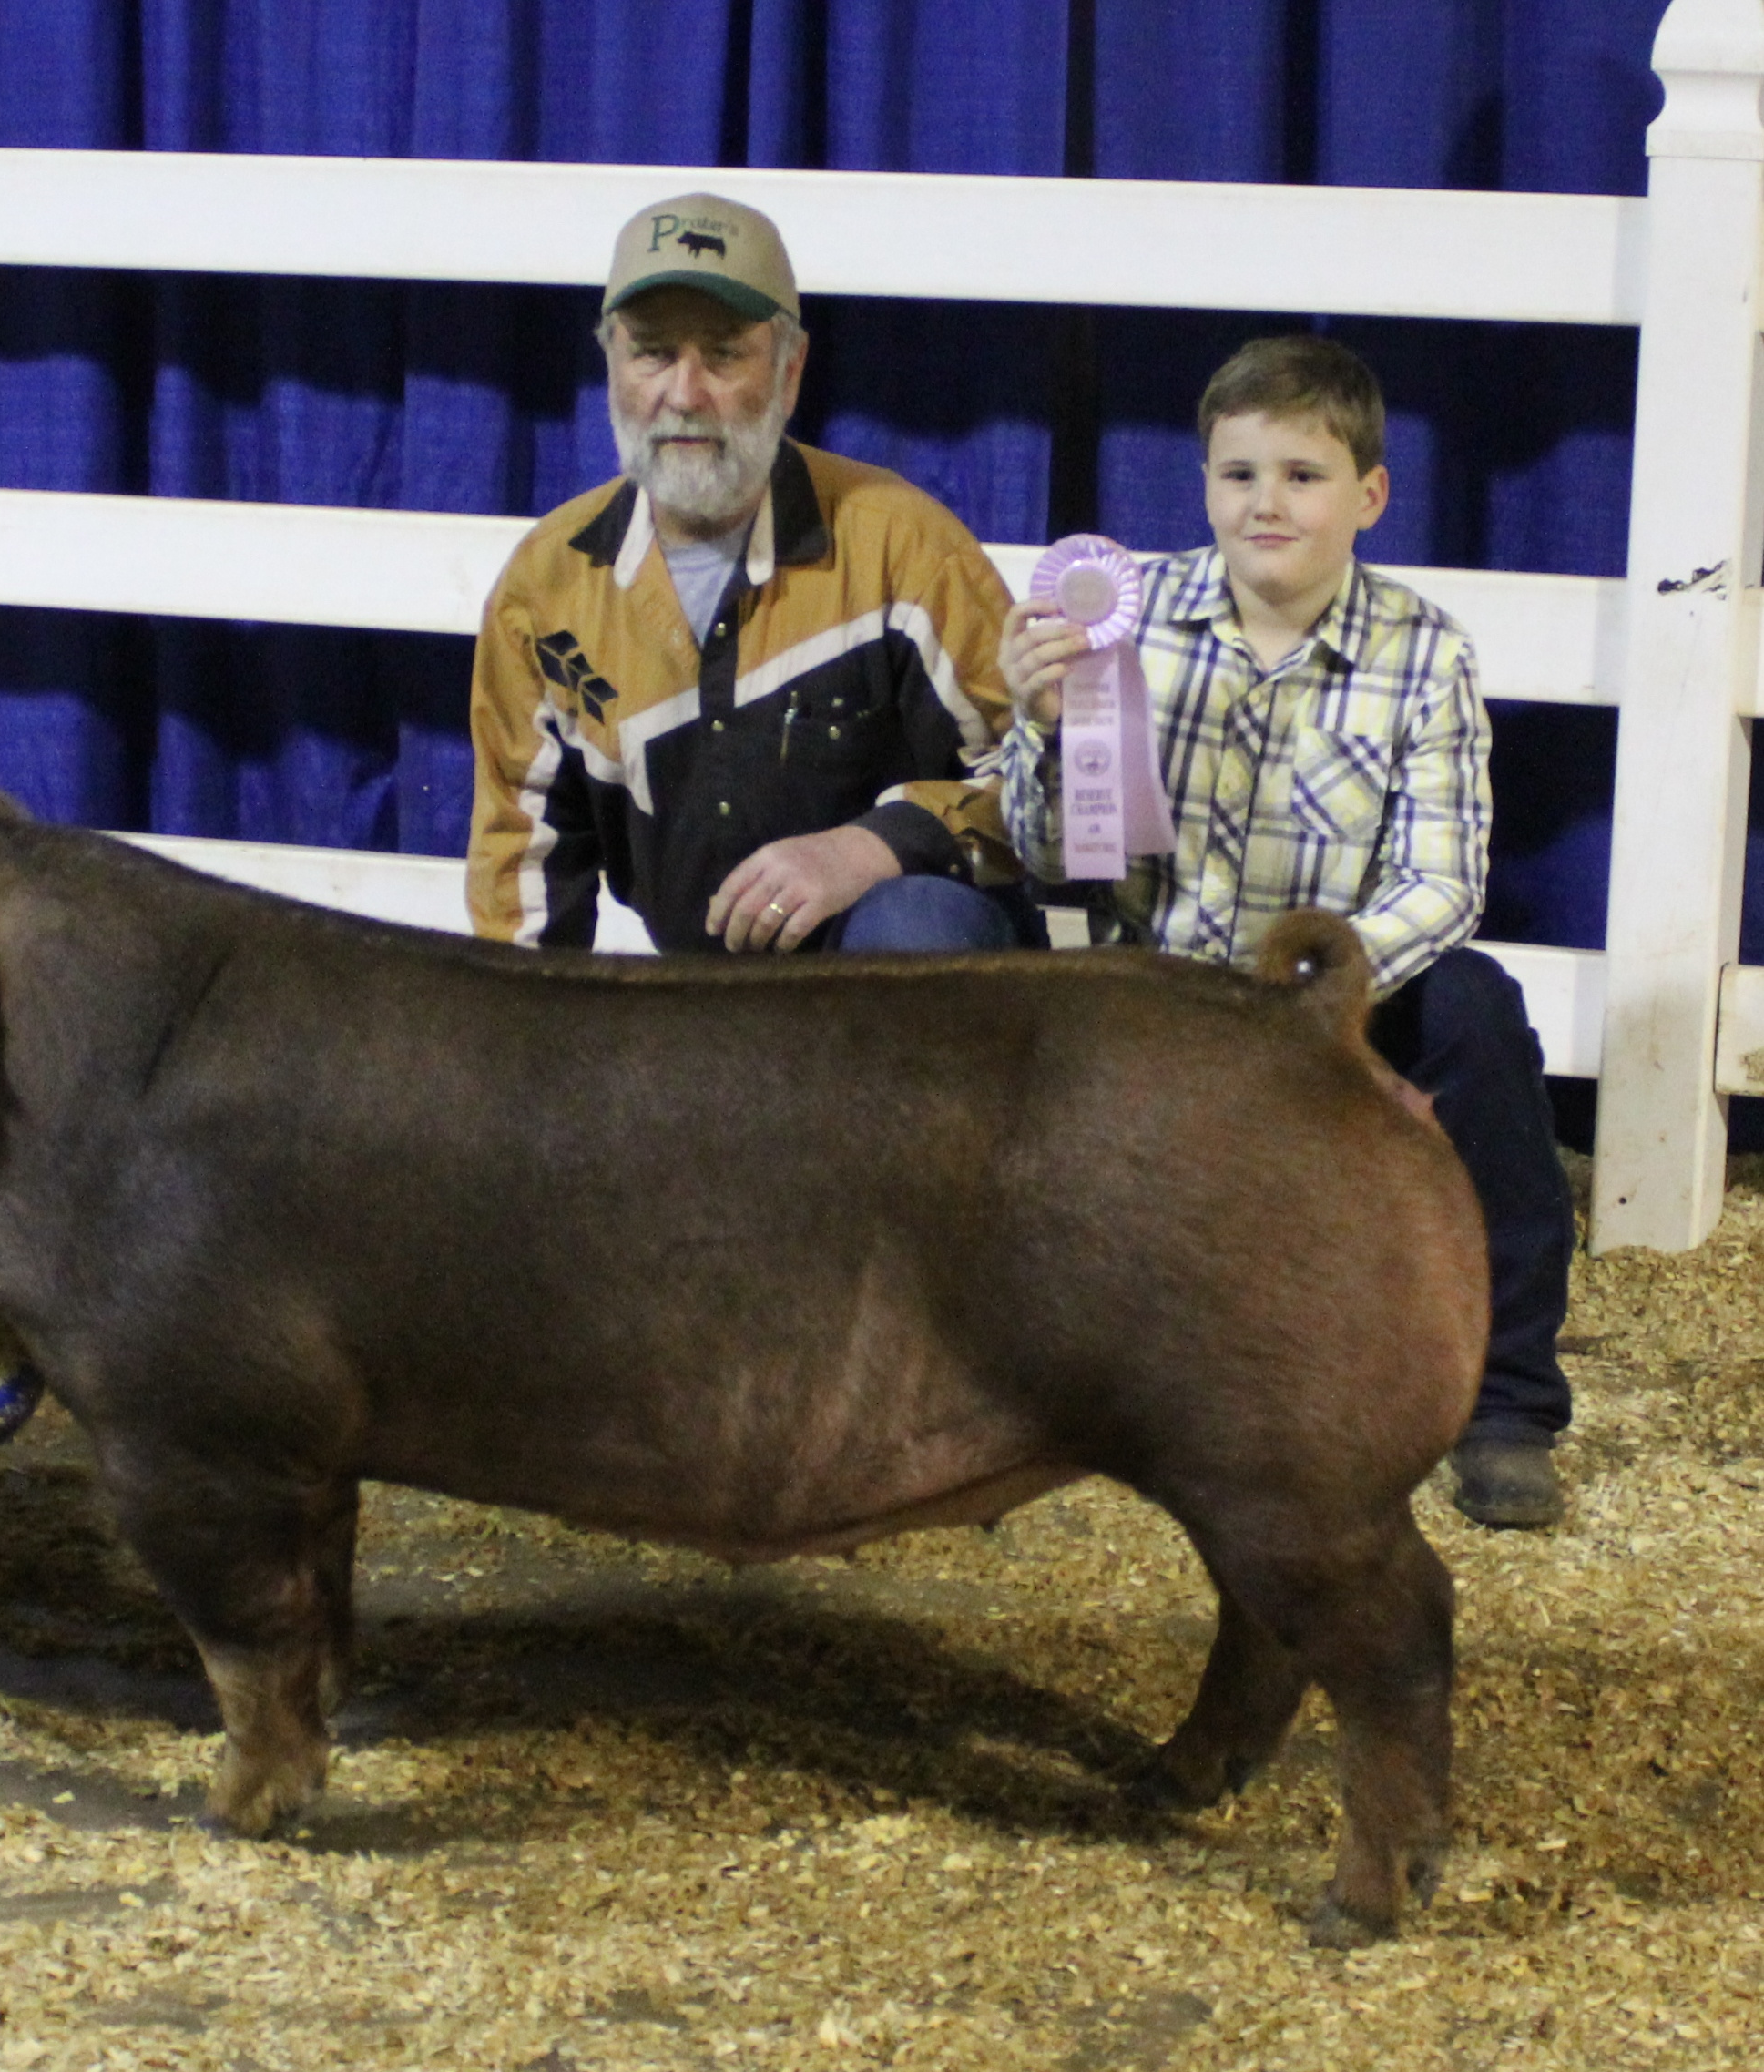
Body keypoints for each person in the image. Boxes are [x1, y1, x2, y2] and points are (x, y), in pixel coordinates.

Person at [997, 334, 1575, 1530]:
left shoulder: (1424, 651)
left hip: (1338, 1000)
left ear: (1369, 494)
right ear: (1203, 484)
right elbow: (1061, 865)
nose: (1266, 502)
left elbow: (1442, 880)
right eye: (1238, 474)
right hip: (1155, 996)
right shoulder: (1120, 624)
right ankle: (1023, 1382)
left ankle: (1509, 1402)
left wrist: (1315, 995)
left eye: (1302, 475)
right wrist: (1047, 733)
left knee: (1476, 1005)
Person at [467, 191, 1038, 956]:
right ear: (609, 362)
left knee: (913, 925)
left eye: (725, 353)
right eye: (652, 352)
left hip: (910, 989)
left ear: (790, 369)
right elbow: (522, 876)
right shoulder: (543, 589)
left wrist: (871, 847)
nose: (684, 393)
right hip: (717, 1018)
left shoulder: (905, 547)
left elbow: (1046, 796)